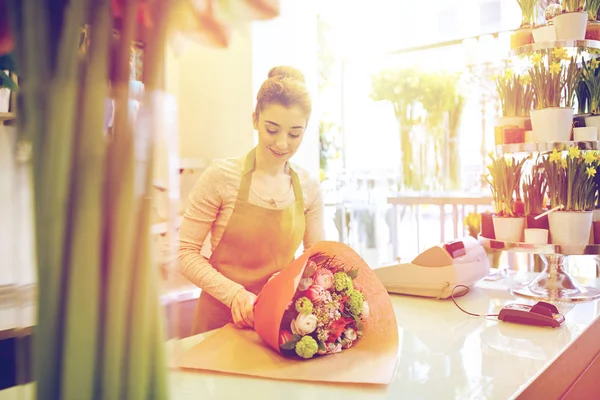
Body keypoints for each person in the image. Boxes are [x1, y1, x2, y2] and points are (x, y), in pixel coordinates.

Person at [179, 66, 324, 334]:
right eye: (272, 129)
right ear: (255, 119)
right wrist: (234, 294)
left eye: (294, 134)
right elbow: (185, 253)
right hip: (218, 323)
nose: (282, 144)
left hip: (278, 324)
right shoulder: (221, 177)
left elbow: (316, 259)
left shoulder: (309, 187)